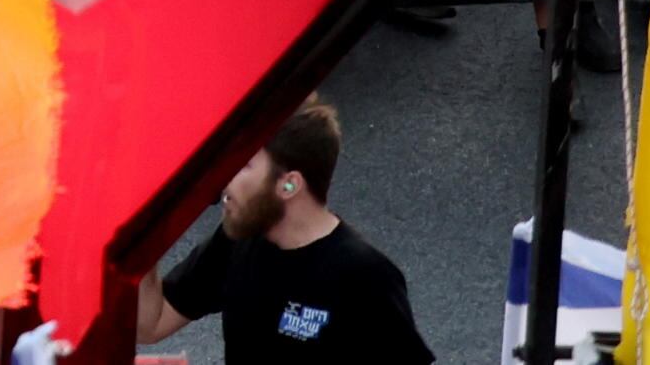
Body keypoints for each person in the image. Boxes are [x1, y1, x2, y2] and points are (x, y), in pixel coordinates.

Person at [130, 99, 430, 365]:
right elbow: (151, 324)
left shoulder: (364, 276)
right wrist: (147, 239)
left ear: (289, 185)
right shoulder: (237, 242)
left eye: (244, 165)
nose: (225, 180)